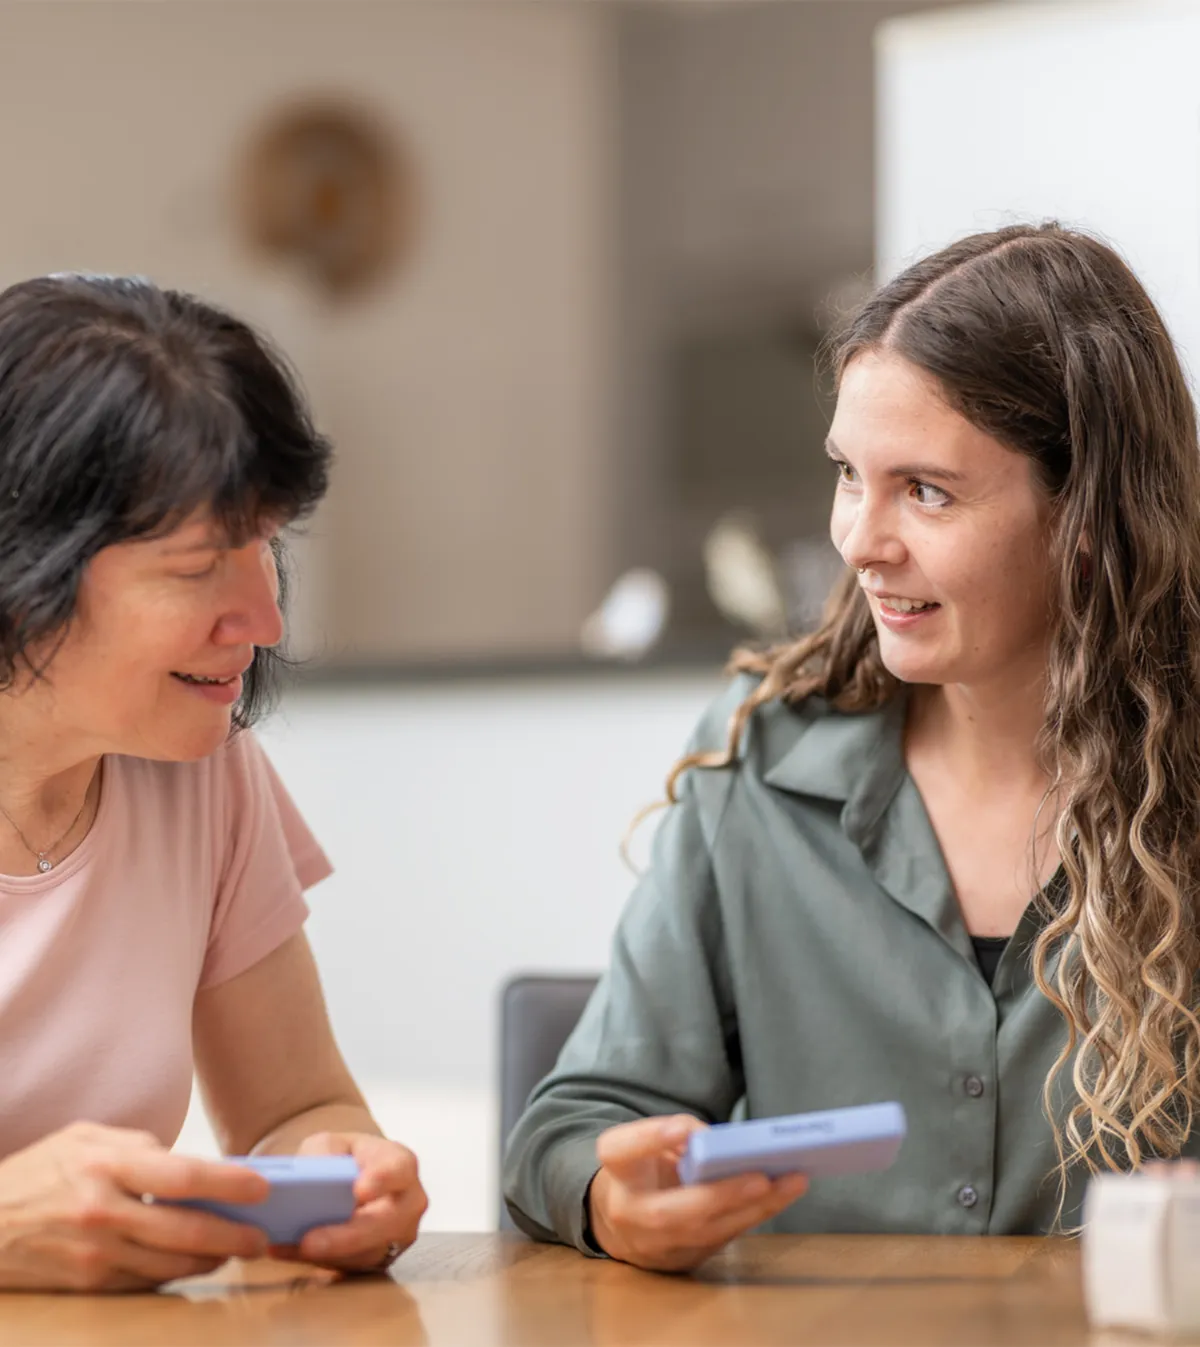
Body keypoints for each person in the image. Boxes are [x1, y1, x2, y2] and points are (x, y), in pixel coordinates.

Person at [503, 222, 1200, 1272]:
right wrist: (612, 1197)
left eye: (925, 490)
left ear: (1087, 515)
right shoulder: (762, 757)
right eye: (848, 476)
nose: (860, 542)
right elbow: (574, 1126)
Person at [0, 273, 426, 1291]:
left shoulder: (206, 777)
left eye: (266, 545)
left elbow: (291, 1108)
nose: (267, 619)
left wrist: (337, 1173)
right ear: (25, 574)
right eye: (199, 567)